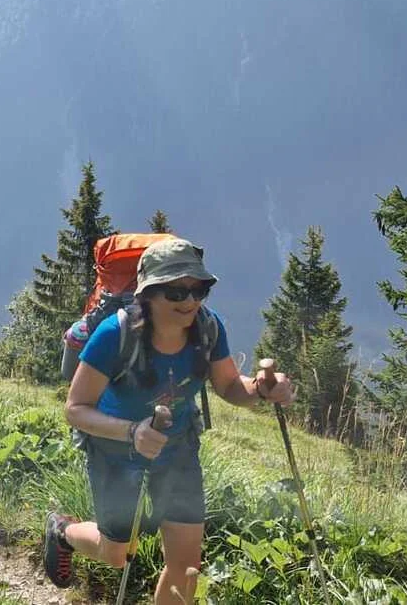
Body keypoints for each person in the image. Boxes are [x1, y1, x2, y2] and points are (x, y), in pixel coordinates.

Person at [42, 238, 296, 602]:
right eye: (176, 292)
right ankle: (63, 532)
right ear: (147, 293)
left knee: (186, 562)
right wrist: (132, 432)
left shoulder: (208, 328)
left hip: (177, 448)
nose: (190, 301)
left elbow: (227, 384)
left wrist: (260, 389)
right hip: (114, 451)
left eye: (199, 290)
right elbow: (75, 408)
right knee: (117, 553)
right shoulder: (115, 335)